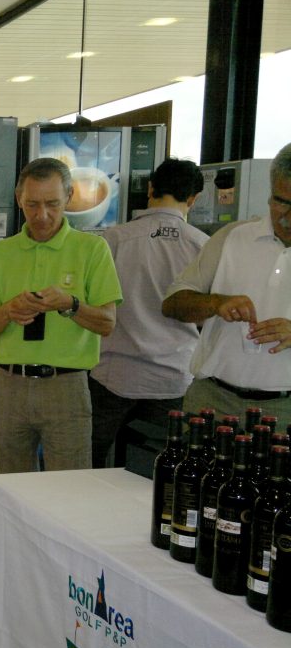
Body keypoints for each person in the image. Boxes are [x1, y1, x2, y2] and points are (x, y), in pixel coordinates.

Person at [0, 157, 123, 473]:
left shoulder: (92, 249)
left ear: (69, 197)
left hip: (65, 387)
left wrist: (70, 304)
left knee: (68, 486)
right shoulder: (0, 254)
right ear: (19, 199)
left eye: (52, 204)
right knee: (12, 485)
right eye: (32, 204)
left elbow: (107, 323)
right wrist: (8, 311)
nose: (42, 215)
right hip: (8, 387)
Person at [90, 159, 209, 467]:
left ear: (150, 188)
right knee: (155, 470)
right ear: (193, 198)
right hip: (172, 376)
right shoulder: (203, 246)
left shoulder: (114, 239)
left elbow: (93, 302)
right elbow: (206, 315)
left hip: (113, 373)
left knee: (88, 465)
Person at [162, 141, 291, 420]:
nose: (289, 217)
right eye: (282, 202)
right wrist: (215, 303)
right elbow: (172, 304)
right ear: (270, 195)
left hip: (285, 410)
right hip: (212, 399)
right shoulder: (232, 237)